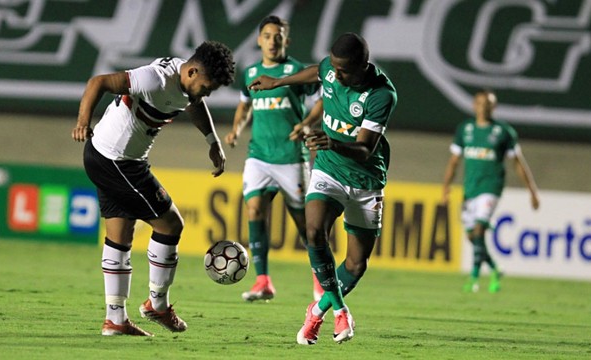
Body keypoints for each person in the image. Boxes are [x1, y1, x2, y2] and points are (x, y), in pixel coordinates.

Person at [71, 41, 235, 336]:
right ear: (193, 71)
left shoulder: (186, 82)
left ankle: (115, 319)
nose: (207, 93)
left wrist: (213, 142)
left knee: (119, 237)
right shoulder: (153, 80)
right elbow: (99, 82)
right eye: (207, 86)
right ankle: (157, 305)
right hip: (117, 160)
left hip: (109, 157)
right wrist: (83, 121)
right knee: (170, 224)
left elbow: (194, 104)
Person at [249, 32, 397, 344]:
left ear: (362, 66)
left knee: (356, 264)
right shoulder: (331, 68)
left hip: (365, 180)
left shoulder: (381, 95)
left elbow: (365, 149)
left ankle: (318, 310)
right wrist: (279, 82)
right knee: (314, 231)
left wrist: (331, 141)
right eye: (335, 68)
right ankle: (340, 310)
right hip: (328, 170)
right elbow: (318, 70)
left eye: (343, 71)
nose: (335, 74)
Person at [224, 15, 324, 302]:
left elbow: (322, 99)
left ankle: (320, 282)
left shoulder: (297, 71)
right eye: (267, 35)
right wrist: (235, 131)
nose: (272, 41)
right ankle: (263, 281)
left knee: (306, 226)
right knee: (254, 210)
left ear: (286, 40)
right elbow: (244, 107)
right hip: (259, 155)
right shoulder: (251, 72)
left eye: (278, 36)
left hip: (291, 156)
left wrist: (307, 124)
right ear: (259, 40)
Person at [441, 90, 540, 293]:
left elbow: (518, 163)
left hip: (491, 188)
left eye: (488, 103)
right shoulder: (465, 129)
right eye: (479, 103)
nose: (483, 107)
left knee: (478, 230)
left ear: (493, 107)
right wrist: (446, 188)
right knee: (472, 237)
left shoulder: (503, 132)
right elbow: (454, 162)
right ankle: (495, 269)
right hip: (470, 189)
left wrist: (532, 190)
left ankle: (474, 278)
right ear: (473, 106)